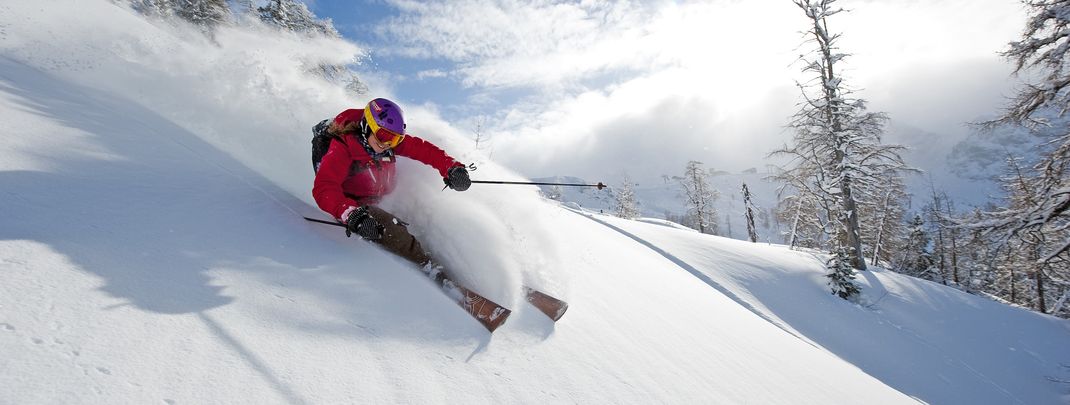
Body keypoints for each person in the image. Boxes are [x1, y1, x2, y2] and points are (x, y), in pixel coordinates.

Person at [312, 98, 471, 265]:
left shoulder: (385, 144)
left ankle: (433, 253)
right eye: (383, 136)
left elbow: (424, 150)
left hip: (380, 196)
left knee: (420, 210)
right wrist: (352, 214)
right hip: (354, 205)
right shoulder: (343, 147)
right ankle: (427, 266)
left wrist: (452, 167)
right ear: (367, 126)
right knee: (394, 231)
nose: (387, 144)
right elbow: (324, 187)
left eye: (395, 139)